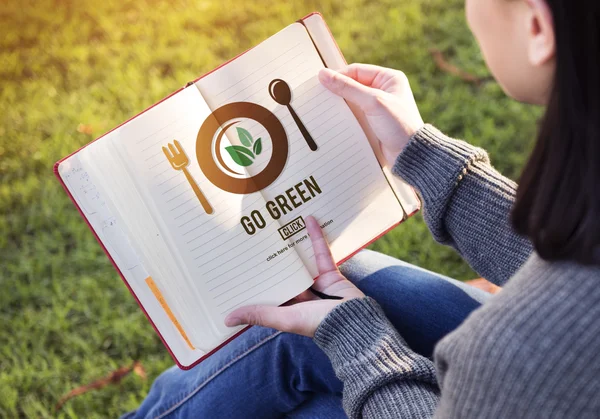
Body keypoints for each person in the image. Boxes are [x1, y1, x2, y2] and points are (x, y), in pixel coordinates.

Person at [125, 0, 600, 417]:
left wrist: (359, 339)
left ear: (537, 27)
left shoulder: (516, 347)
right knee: (340, 285)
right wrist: (426, 158)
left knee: (302, 347)